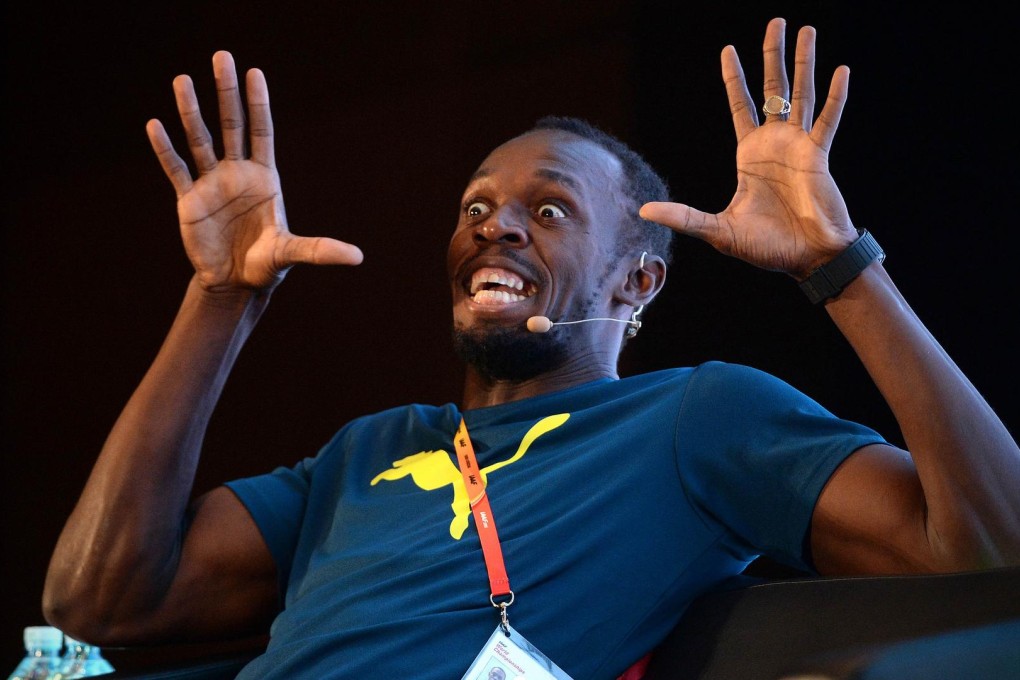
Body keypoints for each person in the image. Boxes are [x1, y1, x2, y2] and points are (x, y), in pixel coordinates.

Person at [42, 16, 1019, 680]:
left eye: (547, 207)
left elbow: (988, 543)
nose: (494, 225)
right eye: (475, 206)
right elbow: (97, 603)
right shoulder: (362, 453)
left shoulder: (693, 417)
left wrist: (840, 266)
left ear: (639, 281)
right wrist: (220, 299)